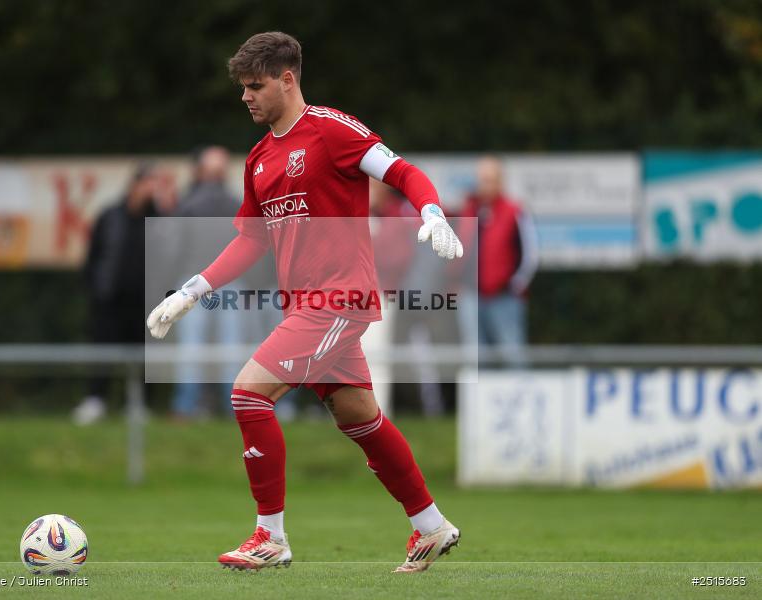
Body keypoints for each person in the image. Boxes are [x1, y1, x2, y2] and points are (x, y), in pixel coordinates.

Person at [146, 32, 462, 573]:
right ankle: (431, 526)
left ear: (287, 79)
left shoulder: (331, 130)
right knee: (360, 418)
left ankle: (270, 536)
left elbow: (403, 172)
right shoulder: (258, 158)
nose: (245, 96)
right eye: (243, 87)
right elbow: (251, 240)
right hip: (305, 306)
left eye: (255, 85)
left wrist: (432, 212)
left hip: (339, 298)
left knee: (248, 393)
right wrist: (192, 291)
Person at [74, 163, 176, 425]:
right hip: (110, 299)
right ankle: (96, 400)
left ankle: (138, 404)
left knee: (145, 354)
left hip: (146, 301)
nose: (151, 191)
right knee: (102, 350)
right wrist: (96, 288)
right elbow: (94, 257)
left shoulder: (161, 220)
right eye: (147, 184)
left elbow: (168, 260)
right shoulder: (110, 216)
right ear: (134, 185)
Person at [170, 146, 246, 418]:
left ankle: (186, 406)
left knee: (193, 347)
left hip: (195, 281)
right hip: (228, 281)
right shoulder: (236, 202)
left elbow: (174, 247)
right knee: (230, 347)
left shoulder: (186, 204)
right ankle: (235, 407)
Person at [457, 157, 538, 367]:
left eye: (490, 180)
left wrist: (513, 286)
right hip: (471, 295)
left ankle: (520, 389)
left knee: (513, 353)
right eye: (482, 180)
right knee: (474, 358)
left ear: (501, 181)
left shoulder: (514, 211)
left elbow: (529, 255)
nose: (485, 185)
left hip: (504, 297)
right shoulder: (468, 209)